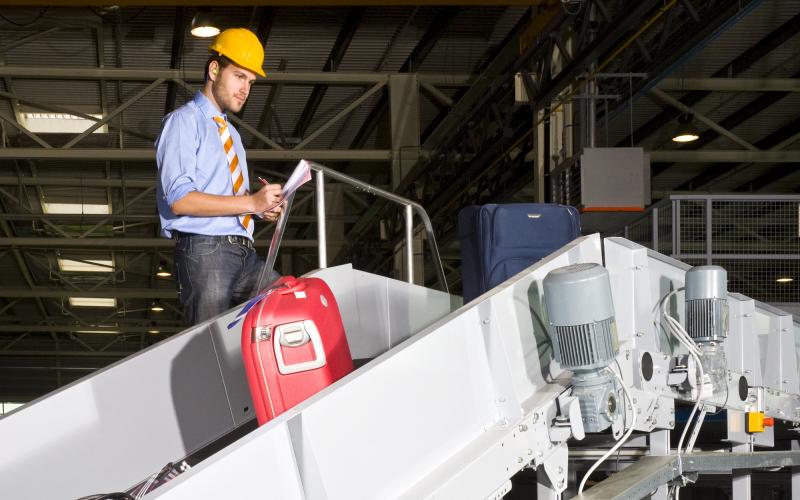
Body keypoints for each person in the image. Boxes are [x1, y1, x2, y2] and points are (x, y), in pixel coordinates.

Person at [156, 28, 282, 325]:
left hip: (244, 252)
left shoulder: (233, 136)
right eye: (239, 76)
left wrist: (261, 208)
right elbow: (180, 200)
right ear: (214, 69)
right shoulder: (183, 122)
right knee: (208, 346)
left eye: (251, 82)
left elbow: (235, 200)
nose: (245, 89)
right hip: (205, 249)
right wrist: (251, 202)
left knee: (287, 303)